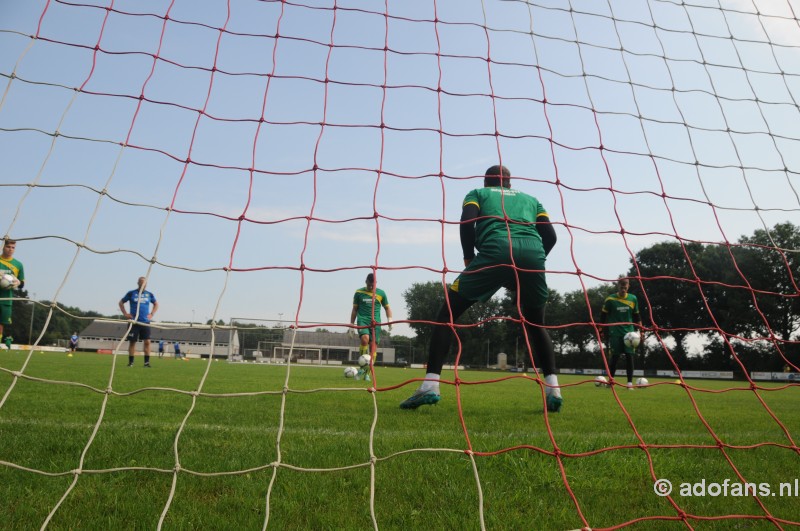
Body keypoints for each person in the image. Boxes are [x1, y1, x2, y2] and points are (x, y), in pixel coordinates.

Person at [400, 164, 562, 412]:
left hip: (494, 250)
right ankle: (554, 390)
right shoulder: (533, 200)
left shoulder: (477, 193)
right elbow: (550, 236)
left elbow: (467, 221)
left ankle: (430, 384)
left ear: (487, 181)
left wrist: (468, 256)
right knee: (536, 324)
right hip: (533, 255)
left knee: (447, 316)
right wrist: (531, 263)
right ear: (509, 182)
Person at [599, 277, 642, 390]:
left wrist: (641, 330)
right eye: (621, 286)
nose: (623, 288)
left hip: (629, 334)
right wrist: (600, 330)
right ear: (618, 286)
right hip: (615, 332)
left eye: (625, 286)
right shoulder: (610, 299)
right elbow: (603, 316)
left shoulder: (633, 299)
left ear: (628, 286)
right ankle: (611, 381)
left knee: (629, 356)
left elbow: (637, 315)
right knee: (615, 357)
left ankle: (629, 384)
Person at [350, 273, 393, 382]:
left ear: (376, 284)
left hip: (376, 323)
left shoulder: (381, 293)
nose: (370, 287)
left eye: (372, 285)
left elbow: (387, 308)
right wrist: (351, 325)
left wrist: (390, 319)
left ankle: (367, 373)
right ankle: (361, 368)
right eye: (369, 285)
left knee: (373, 347)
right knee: (365, 339)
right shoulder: (359, 292)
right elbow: (354, 309)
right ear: (366, 282)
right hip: (363, 319)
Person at [119, 276, 158, 368]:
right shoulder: (131, 293)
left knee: (147, 342)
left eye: (144, 283)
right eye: (141, 282)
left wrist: (152, 314)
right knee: (132, 342)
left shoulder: (149, 294)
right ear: (138, 283)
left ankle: (146, 363)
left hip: (145, 322)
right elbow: (121, 302)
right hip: (134, 322)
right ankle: (131, 362)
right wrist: (125, 314)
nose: (142, 284)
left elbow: (156, 304)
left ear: (146, 284)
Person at [0, 239, 25, 343]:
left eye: (13, 247)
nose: (10, 249)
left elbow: (22, 284)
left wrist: (18, 283)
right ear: (3, 247)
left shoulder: (18, 265)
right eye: (8, 247)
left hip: (6, 299)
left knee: (1, 323)